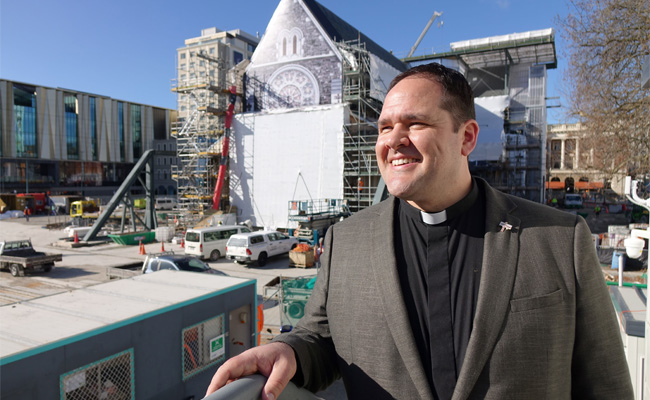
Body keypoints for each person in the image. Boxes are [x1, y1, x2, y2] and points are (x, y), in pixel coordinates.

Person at [206, 63, 633, 399]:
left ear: (466, 137)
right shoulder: (345, 241)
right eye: (385, 127)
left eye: (415, 124)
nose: (393, 140)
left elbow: (606, 387)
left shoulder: (560, 239)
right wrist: (288, 351)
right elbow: (321, 338)